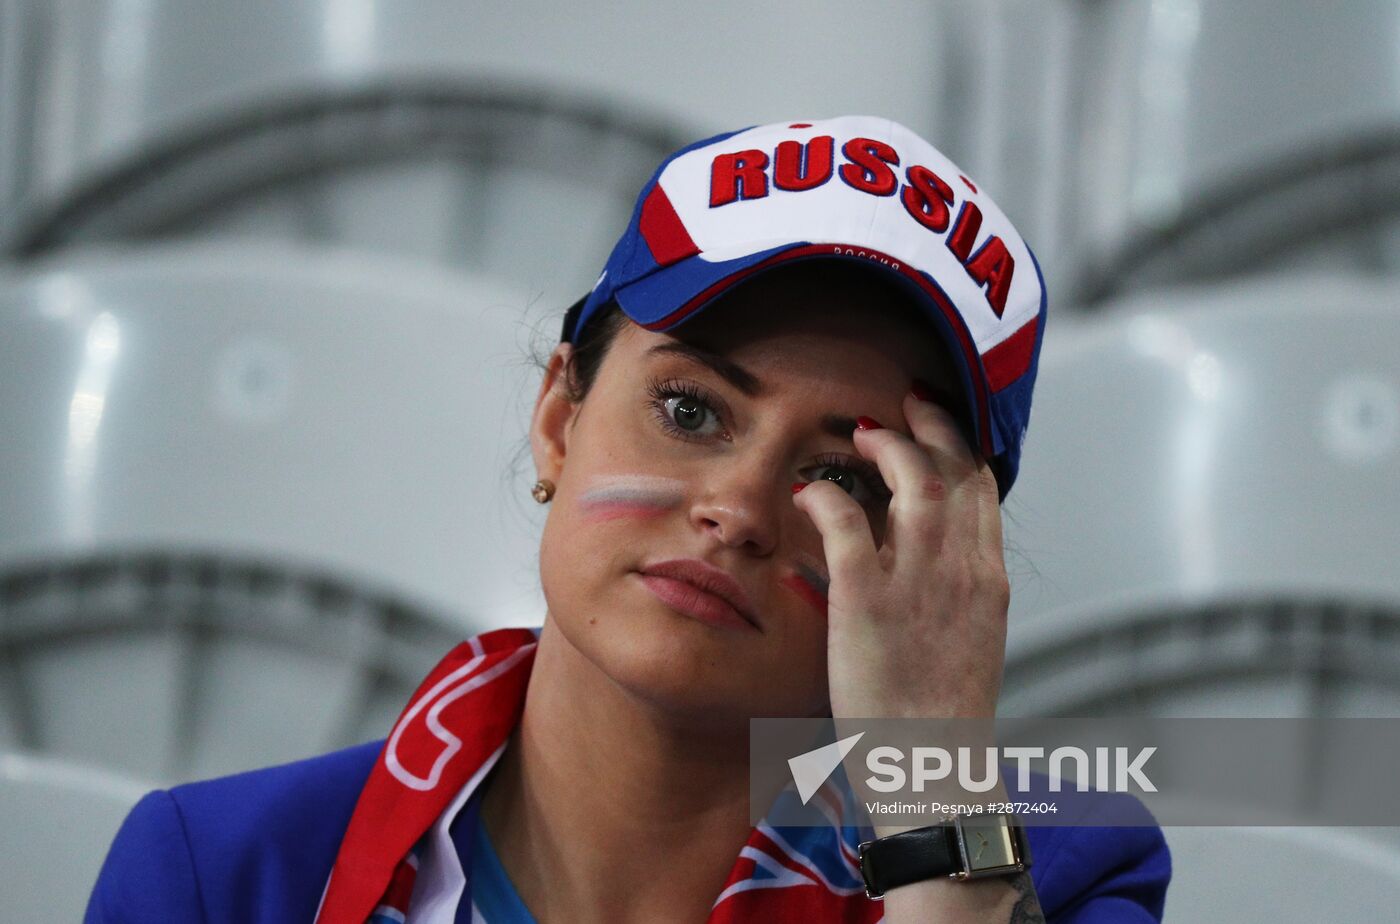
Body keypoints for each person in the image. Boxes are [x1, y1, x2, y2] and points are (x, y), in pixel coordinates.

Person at [86, 116, 1171, 923]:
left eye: (842, 478)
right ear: (558, 417)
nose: (737, 511)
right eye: (690, 409)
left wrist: (934, 800)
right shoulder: (223, 875)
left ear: (943, 563)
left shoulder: (1065, 869)